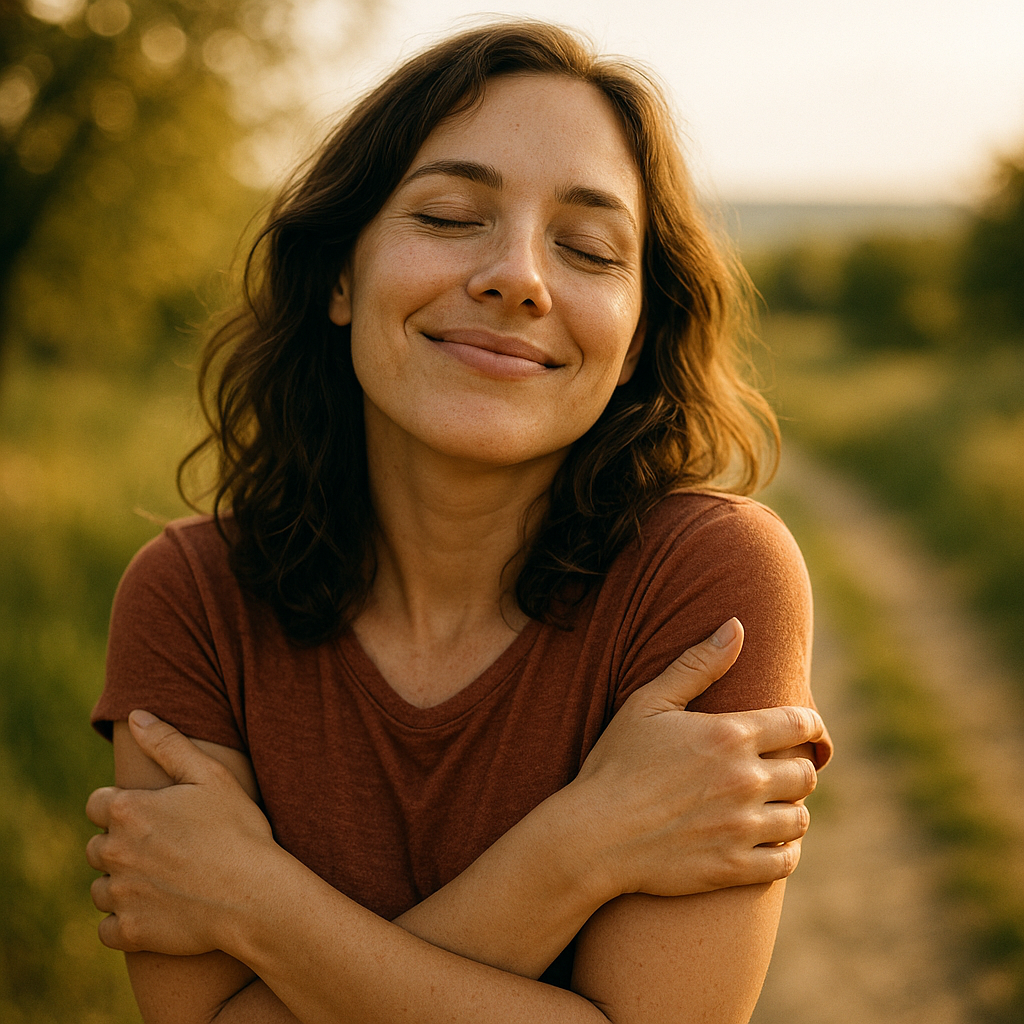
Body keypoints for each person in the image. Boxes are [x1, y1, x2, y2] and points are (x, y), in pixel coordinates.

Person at [86, 20, 832, 1024]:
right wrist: (585, 845)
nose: (518, 275)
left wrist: (254, 901)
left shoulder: (706, 582)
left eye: (588, 247)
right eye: (446, 216)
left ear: (635, 334)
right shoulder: (191, 600)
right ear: (340, 276)